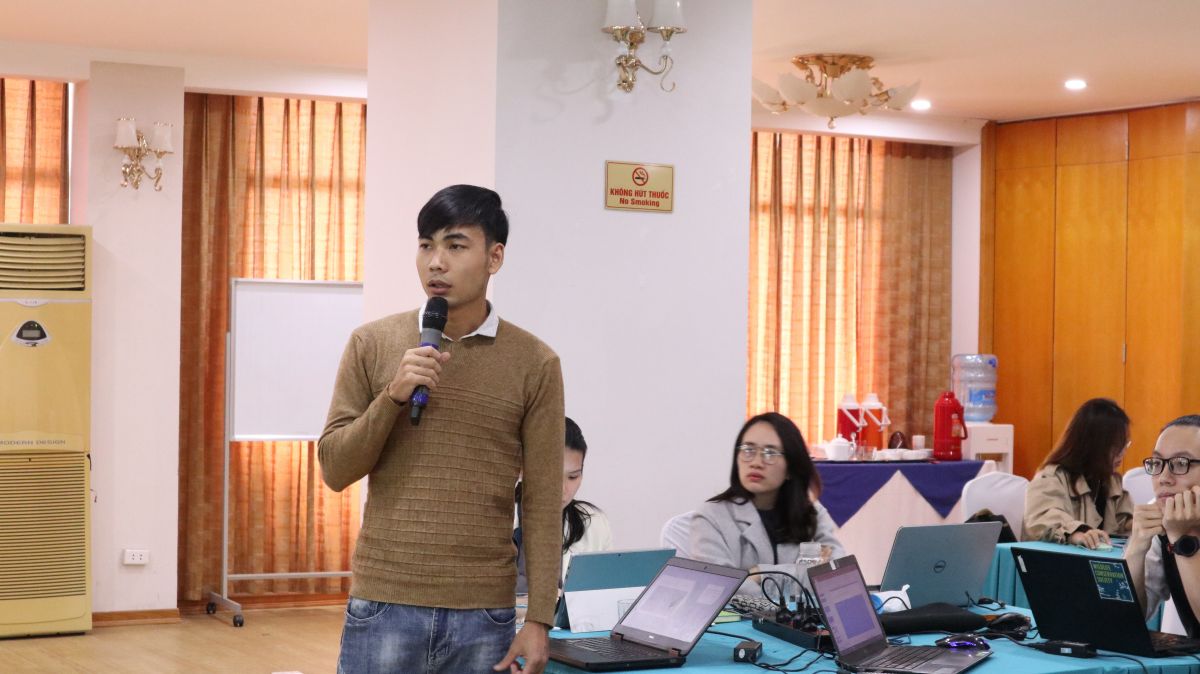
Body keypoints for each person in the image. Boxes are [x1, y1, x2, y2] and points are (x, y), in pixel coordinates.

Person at [318, 185, 564, 674]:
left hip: (484, 613)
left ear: (494, 258)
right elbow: (335, 468)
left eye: (455, 246)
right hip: (385, 600)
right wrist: (393, 396)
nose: (436, 262)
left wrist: (539, 617)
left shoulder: (535, 362)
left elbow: (540, 497)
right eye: (426, 244)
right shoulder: (373, 343)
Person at [689, 412, 845, 598]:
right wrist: (802, 572)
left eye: (770, 453)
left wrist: (757, 573)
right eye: (748, 450)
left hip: (803, 624)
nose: (756, 462)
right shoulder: (711, 517)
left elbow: (839, 578)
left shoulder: (811, 511)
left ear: (791, 467)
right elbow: (719, 592)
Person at [515, 416, 612, 592]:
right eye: (551, 475)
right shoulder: (489, 520)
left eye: (573, 477)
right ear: (522, 468)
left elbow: (603, 598)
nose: (562, 490)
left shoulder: (594, 523)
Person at [1023, 398, 1134, 548]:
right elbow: (1042, 519)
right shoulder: (1051, 477)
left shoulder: (1110, 480)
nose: (1122, 453)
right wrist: (1077, 533)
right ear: (1095, 445)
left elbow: (1123, 522)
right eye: (1117, 447)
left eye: (1125, 445)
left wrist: (1143, 523)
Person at [1127, 415, 1200, 638]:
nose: (1163, 478)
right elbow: (1127, 620)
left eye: (1180, 464)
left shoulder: (1173, 525)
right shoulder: (1160, 515)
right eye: (1157, 463)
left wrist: (1181, 538)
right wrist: (1136, 549)